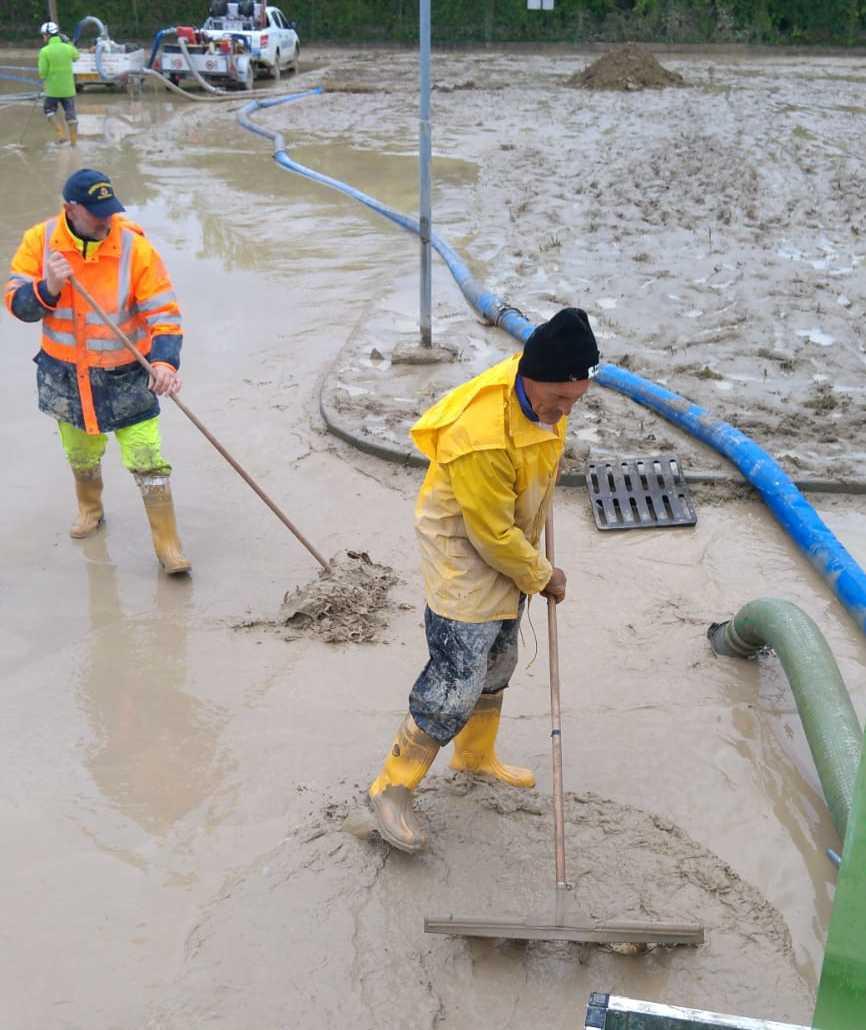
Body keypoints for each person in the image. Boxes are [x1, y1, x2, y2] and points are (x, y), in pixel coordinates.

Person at [368, 308, 600, 852]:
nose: (564, 412)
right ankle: (391, 788)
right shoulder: (482, 436)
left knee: (499, 660)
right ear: (528, 375)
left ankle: (473, 757)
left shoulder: (542, 396)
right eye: (558, 400)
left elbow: (520, 495)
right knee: (456, 678)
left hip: (506, 542)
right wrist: (544, 575)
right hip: (466, 550)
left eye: (575, 400)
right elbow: (491, 536)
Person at [4, 168, 191, 574]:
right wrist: (48, 286)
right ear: (71, 209)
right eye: (96, 214)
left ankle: (167, 544)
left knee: (147, 455)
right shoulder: (40, 242)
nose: (106, 221)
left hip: (127, 376)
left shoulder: (134, 248)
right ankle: (91, 508)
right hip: (66, 378)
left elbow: (164, 312)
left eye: (110, 211)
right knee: (81, 451)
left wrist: (163, 362)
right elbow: (16, 306)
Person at [38, 22, 80, 146]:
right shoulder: (68, 48)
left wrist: (45, 78)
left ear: (48, 35)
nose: (43, 38)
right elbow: (76, 56)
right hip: (68, 90)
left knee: (49, 110)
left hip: (52, 90)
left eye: (43, 35)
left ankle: (61, 135)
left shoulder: (44, 51)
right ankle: (74, 144)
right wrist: (68, 43)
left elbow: (42, 73)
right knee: (71, 116)